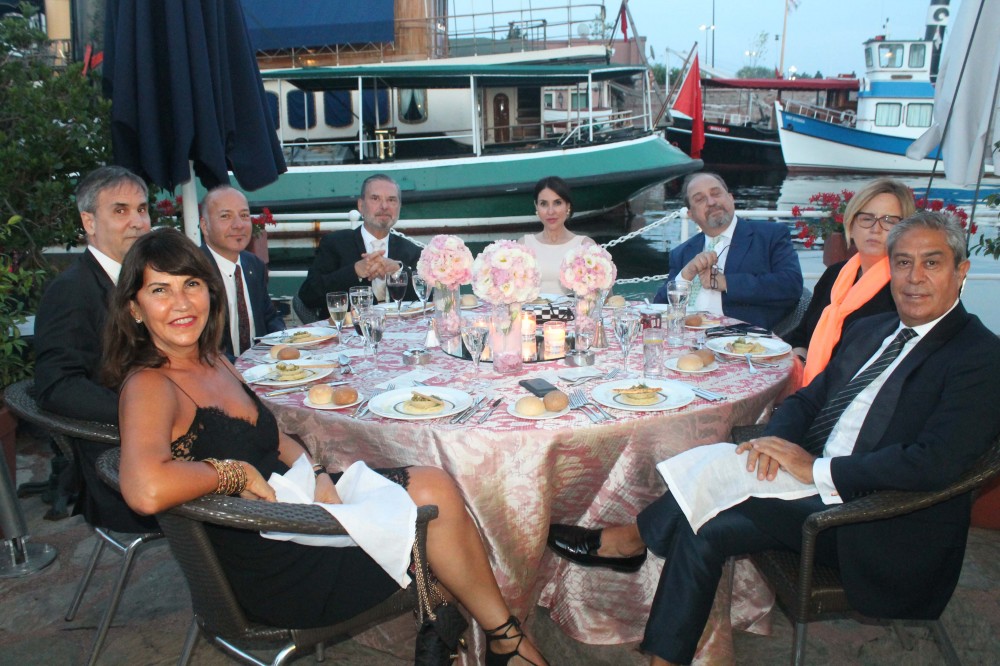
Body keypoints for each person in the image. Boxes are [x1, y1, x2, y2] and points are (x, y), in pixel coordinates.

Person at [549, 212, 1000, 666]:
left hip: (875, 518)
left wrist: (816, 469)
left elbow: (933, 462)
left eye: (931, 263)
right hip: (809, 482)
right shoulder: (873, 330)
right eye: (903, 263)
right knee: (706, 515)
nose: (914, 277)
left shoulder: (980, 356)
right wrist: (776, 446)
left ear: (960, 271)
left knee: (709, 504)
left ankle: (630, 540)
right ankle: (659, 643)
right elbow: (808, 401)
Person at [105, 228, 547, 666]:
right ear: (134, 308)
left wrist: (318, 473)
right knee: (436, 532)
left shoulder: (214, 361)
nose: (181, 303)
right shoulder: (150, 385)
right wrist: (233, 473)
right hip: (273, 565)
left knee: (434, 486)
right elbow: (145, 489)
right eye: (160, 290)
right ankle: (491, 639)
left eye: (191, 284)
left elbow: (273, 437)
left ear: (209, 292)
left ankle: (492, 639)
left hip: (295, 513)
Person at [32, 165, 157, 532]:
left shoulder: (146, 279)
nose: (137, 222)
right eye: (120, 210)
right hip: (123, 466)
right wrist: (148, 413)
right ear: (89, 222)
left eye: (142, 209)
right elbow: (56, 386)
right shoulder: (71, 291)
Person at [787, 178, 915, 385]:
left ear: (905, 230)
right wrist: (800, 361)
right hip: (809, 388)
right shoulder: (835, 274)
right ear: (851, 225)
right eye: (867, 218)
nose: (875, 229)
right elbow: (801, 335)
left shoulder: (907, 288)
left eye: (889, 220)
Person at [653, 172, 802, 330]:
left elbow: (791, 285)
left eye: (716, 193)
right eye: (700, 199)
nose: (711, 202)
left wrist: (726, 283)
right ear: (691, 215)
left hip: (740, 337)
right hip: (685, 335)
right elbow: (659, 308)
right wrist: (685, 276)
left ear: (731, 198)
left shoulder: (769, 236)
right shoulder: (682, 252)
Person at [298, 174, 421, 315]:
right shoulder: (335, 244)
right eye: (375, 198)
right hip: (350, 328)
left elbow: (427, 300)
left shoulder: (411, 250)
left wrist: (398, 271)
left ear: (399, 207)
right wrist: (355, 271)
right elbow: (308, 295)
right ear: (361, 206)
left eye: (391, 200)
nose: (384, 206)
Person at [199, 185, 285, 357]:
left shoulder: (254, 265)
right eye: (226, 216)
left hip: (262, 364)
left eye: (244, 215)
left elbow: (269, 317)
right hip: (219, 368)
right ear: (205, 226)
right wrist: (241, 367)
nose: (238, 225)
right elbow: (201, 345)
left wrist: (284, 342)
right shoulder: (194, 272)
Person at [518, 176, 595, 294]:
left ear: (568, 205)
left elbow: (603, 297)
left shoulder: (585, 246)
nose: (550, 211)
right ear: (536, 206)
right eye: (544, 204)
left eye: (557, 203)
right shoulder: (523, 245)